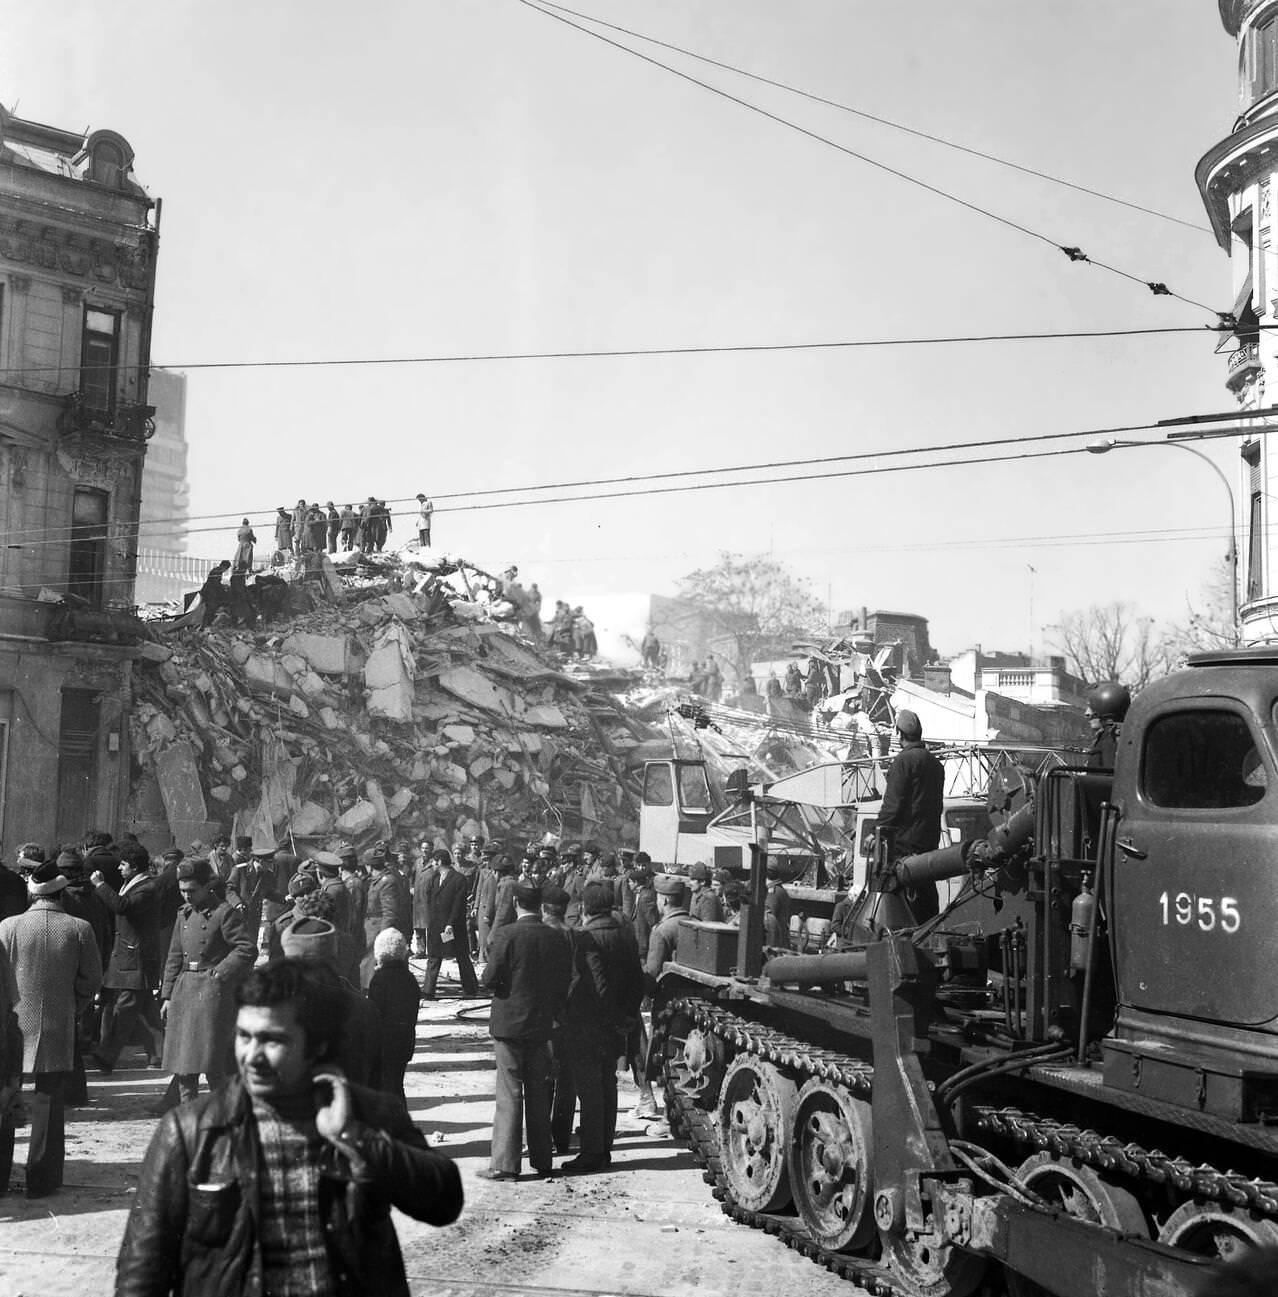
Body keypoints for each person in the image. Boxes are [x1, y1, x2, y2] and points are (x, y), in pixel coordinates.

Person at [116, 958, 463, 1295]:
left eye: (273, 1040)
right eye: (244, 1036)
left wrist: (355, 1138)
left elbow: (444, 1201)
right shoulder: (191, 1131)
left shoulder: (369, 1115)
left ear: (317, 1046)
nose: (252, 1056)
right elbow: (142, 1268)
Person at [0, 860, 103, 1198]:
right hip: (58, 1024)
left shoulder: (8, 927)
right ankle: (41, 1180)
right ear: (61, 893)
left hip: (11, 1024)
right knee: (48, 1099)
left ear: (31, 893)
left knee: (5, 1099)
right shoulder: (79, 928)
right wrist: (74, 1005)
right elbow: (92, 980)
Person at [478, 882, 571, 1180]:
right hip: (541, 1024)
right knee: (538, 1091)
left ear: (516, 902)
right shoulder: (555, 937)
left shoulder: (507, 934)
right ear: (540, 904)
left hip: (509, 1024)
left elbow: (490, 978)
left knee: (509, 1092)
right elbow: (563, 982)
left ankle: (505, 1164)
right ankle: (543, 1159)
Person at [560, 882, 643, 1173]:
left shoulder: (586, 938)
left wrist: (612, 1016)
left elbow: (599, 985)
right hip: (616, 1025)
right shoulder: (624, 935)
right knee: (608, 1085)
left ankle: (592, 1152)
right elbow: (637, 979)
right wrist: (627, 1017)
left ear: (585, 908)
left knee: (590, 1090)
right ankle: (604, 1148)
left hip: (589, 1023)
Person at [160, 858, 256, 1105]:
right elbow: (173, 956)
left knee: (212, 1063)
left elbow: (246, 949)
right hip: (184, 992)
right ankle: (189, 1114)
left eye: (192, 891)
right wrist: (168, 996)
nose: (186, 896)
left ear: (207, 887)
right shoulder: (183, 915)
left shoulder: (224, 914)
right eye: (182, 891)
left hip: (211, 994)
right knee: (184, 1064)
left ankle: (223, 1113)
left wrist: (220, 973)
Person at [90, 850, 164, 1073]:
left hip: (136, 958)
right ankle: (159, 1055)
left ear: (134, 867)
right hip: (127, 956)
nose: (119, 868)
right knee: (146, 1011)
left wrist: (101, 886)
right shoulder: (133, 884)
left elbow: (123, 906)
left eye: (123, 865)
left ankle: (107, 1055)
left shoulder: (148, 888)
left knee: (125, 1009)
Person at [876, 709, 946, 923]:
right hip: (927, 850)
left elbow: (893, 805)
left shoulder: (903, 761)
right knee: (926, 915)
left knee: (898, 918)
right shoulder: (935, 765)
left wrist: (877, 831)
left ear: (899, 734)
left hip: (904, 853)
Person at [367, 927, 421, 1105]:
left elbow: (375, 1013)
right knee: (397, 1084)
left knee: (386, 1087)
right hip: (405, 1042)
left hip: (384, 1044)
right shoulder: (410, 979)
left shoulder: (379, 979)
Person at [421, 849, 479, 1000]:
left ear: (439, 861)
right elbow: (430, 900)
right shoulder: (434, 879)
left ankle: (471, 988)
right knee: (434, 956)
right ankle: (428, 991)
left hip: (452, 927)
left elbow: (458, 904)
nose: (433, 864)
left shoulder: (459, 879)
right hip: (436, 926)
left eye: (434, 862)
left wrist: (450, 923)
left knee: (461, 956)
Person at [644, 875, 689, 991]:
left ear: (664, 900)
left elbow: (652, 971)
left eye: (657, 898)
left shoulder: (661, 931)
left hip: (669, 995)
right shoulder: (693, 922)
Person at [1085, 681, 1131, 769]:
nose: (1087, 713)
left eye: (1091, 706)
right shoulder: (1122, 734)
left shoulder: (1111, 736)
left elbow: (1108, 776)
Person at [197, 561, 231, 626]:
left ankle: (207, 623)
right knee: (211, 608)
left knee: (211, 608)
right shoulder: (218, 571)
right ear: (224, 567)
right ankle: (205, 624)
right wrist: (223, 587)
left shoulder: (216, 570)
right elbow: (215, 583)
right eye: (226, 568)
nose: (226, 570)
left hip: (209, 590)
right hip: (210, 591)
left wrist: (222, 586)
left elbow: (216, 582)